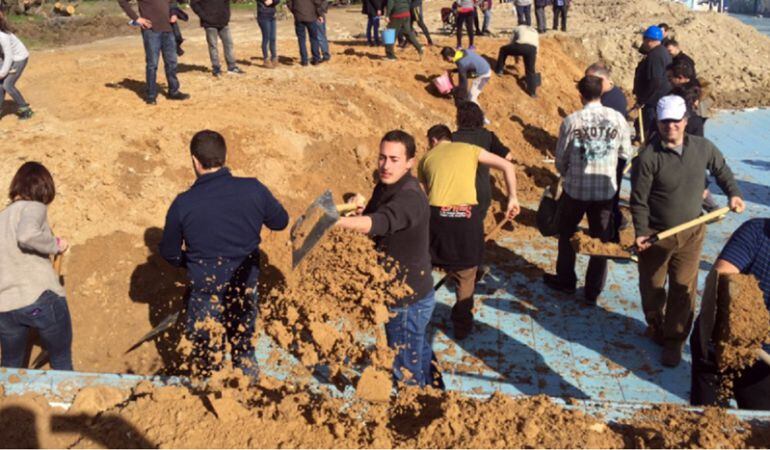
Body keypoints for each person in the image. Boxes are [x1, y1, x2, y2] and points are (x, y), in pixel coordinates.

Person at [159, 130, 289, 377]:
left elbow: (169, 253)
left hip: (205, 292)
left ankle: (211, 399)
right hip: (243, 288)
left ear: (195, 161)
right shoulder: (254, 189)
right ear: (224, 157)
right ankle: (250, 397)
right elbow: (280, 222)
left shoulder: (183, 203)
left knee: (208, 359)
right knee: (244, 350)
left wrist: (190, 262)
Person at [631, 95, 745, 367]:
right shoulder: (648, 158)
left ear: (685, 120)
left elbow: (722, 170)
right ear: (657, 123)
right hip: (657, 236)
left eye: (676, 120)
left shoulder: (703, 148)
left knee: (683, 288)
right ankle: (655, 322)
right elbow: (639, 200)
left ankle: (674, 340)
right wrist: (640, 231)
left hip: (692, 232)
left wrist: (734, 193)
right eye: (665, 121)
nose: (671, 126)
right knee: (652, 287)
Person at [336, 130, 437, 387]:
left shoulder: (410, 197)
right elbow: (374, 213)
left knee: (405, 368)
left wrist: (335, 223)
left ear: (410, 162)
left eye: (394, 159)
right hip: (407, 291)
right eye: (382, 158)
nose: (385, 165)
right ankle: (433, 394)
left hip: (407, 300)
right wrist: (357, 211)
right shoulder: (386, 186)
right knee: (418, 351)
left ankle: (412, 410)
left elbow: (381, 221)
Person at [419, 124, 520, 339]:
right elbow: (507, 165)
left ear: (433, 140)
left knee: (425, 267)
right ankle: (462, 326)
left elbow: (422, 198)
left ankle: (419, 314)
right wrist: (512, 198)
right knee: (466, 275)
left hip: (437, 219)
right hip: (466, 218)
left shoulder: (426, 159)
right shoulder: (469, 149)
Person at [542, 76, 632, 304]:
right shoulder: (617, 118)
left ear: (580, 95)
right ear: (602, 93)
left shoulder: (572, 121)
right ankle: (592, 291)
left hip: (576, 190)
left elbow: (561, 157)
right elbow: (625, 153)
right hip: (604, 191)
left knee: (567, 233)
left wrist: (567, 173)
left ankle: (566, 281)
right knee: (600, 240)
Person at [690, 218, 770, 410]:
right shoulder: (757, 231)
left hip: (763, 360)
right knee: (709, 419)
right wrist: (747, 330)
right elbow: (722, 276)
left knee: (758, 421)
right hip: (717, 341)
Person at [0, 162, 72, 370]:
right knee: (61, 357)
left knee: (11, 366)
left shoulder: (2, 217)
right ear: (43, 187)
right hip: (39, 298)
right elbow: (27, 235)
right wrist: (56, 244)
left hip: (5, 308)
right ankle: (65, 403)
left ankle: (8, 399)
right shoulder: (34, 207)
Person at [585, 62, 628, 238]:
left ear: (602, 79)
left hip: (609, 158)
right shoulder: (612, 94)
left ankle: (612, 232)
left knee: (606, 201)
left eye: (591, 80)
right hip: (613, 156)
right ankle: (615, 225)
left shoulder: (610, 101)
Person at [118, 0, 190, 104]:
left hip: (168, 29)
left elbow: (172, 2)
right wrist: (137, 19)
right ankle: (151, 95)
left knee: (172, 63)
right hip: (151, 31)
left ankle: (173, 91)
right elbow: (122, 1)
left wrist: (174, 13)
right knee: (152, 64)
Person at [452, 101, 511, 220]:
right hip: (482, 192)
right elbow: (508, 156)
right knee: (476, 227)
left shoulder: (452, 138)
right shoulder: (487, 136)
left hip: (459, 193)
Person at [632, 25, 671, 142]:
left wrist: (642, 100)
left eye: (644, 39)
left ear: (649, 40)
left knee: (650, 128)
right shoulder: (661, 51)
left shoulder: (655, 56)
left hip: (654, 101)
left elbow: (655, 81)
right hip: (656, 99)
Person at [191, 0, 243, 76]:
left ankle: (232, 67)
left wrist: (227, 16)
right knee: (213, 46)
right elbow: (193, 4)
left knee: (229, 44)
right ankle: (216, 68)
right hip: (209, 24)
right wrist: (204, 16)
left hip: (223, 22)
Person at [0, 12, 33, 119]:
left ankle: (26, 110)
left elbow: (9, 55)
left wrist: (2, 73)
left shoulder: (3, 36)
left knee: (7, 85)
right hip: (8, 58)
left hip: (19, 58)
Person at [494, 24, 539, 97]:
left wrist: (516, 56)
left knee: (503, 50)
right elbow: (537, 47)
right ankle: (532, 92)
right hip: (533, 49)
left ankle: (499, 70)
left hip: (521, 45)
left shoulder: (518, 28)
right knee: (530, 70)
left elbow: (512, 42)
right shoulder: (535, 31)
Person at [287, 0, 325, 66]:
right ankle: (316, 59)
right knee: (314, 39)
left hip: (299, 17)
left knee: (301, 39)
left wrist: (295, 12)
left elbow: (289, 3)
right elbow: (317, 3)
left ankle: (304, 60)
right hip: (311, 17)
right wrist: (320, 14)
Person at [257, 0, 279, 67]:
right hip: (263, 15)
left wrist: (272, 1)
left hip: (272, 15)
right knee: (266, 38)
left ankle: (274, 57)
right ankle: (266, 59)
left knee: (273, 38)